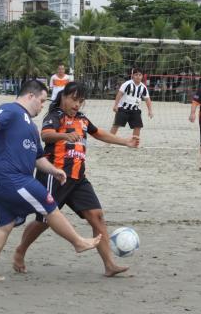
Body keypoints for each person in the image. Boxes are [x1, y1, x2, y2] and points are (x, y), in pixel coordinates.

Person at [0, 80, 102, 282]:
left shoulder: (30, 126)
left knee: (4, 225)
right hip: (12, 178)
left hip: (1, 181)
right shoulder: (12, 110)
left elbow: (38, 158)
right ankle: (78, 242)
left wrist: (54, 170)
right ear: (30, 96)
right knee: (49, 205)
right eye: (42, 101)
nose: (42, 106)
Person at [13, 81, 140, 277]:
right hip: (54, 175)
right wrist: (64, 136)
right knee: (44, 220)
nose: (76, 105)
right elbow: (45, 135)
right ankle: (21, 250)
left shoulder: (82, 119)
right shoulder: (55, 116)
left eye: (80, 101)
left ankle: (109, 264)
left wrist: (125, 142)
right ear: (63, 97)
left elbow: (99, 134)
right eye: (73, 99)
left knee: (97, 216)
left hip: (79, 178)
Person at [110, 68, 153, 139]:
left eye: (140, 75)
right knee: (116, 125)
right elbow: (119, 94)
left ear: (142, 76)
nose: (138, 76)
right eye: (136, 75)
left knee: (138, 126)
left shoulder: (143, 87)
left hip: (135, 110)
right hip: (123, 109)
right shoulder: (127, 84)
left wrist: (150, 110)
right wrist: (115, 105)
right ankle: (109, 141)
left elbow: (147, 99)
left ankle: (134, 142)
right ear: (132, 75)